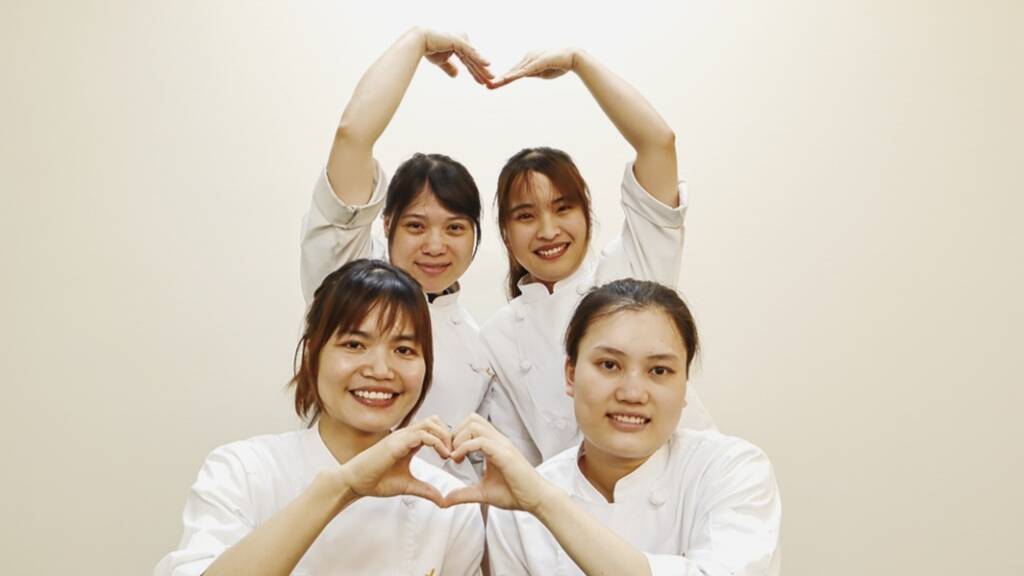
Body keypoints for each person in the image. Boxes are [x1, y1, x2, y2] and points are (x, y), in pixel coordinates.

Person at [154, 260, 484, 576]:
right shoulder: (244, 471)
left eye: (404, 350)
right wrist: (341, 487)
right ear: (312, 353)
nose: (380, 370)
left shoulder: (449, 503)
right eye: (354, 344)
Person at [446, 279, 781, 575]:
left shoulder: (731, 470)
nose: (632, 393)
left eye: (659, 371)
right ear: (571, 375)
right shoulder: (521, 509)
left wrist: (544, 503)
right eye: (609, 365)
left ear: (685, 386)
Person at [481, 48, 715, 464]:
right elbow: (523, 462)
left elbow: (658, 143)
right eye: (526, 215)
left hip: (687, 480)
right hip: (581, 499)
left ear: (586, 214)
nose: (548, 231)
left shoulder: (627, 272)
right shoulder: (498, 336)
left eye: (563, 208)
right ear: (505, 233)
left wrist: (578, 63)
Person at [300, 27, 495, 481]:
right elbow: (353, 135)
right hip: (338, 499)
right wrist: (417, 42)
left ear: (476, 235)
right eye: (415, 226)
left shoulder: (478, 343)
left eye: (455, 228)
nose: (435, 246)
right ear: (386, 225)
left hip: (437, 516)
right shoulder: (347, 278)